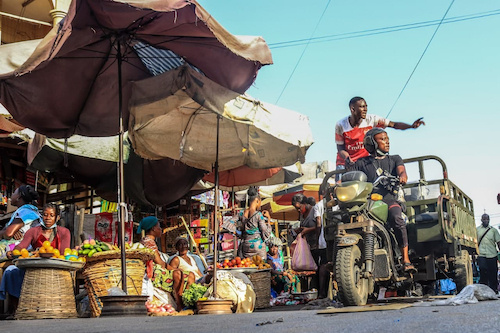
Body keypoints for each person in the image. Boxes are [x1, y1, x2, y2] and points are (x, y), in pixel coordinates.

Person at [350, 128, 415, 272]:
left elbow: (402, 170)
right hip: (368, 202)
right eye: (382, 139)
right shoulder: (362, 163)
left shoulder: (394, 159)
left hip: (390, 199)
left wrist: (402, 177)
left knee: (397, 218)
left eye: (387, 139)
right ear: (372, 143)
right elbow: (351, 176)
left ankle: (405, 259)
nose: (387, 142)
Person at [0, 203, 70, 315]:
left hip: (55, 268)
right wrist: (13, 253)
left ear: (57, 217)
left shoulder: (64, 232)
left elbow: (63, 254)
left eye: (51, 215)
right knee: (10, 271)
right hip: (33, 267)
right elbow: (21, 247)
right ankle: (15, 309)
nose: (47, 218)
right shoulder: (33, 231)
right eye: (45, 215)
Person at [335, 97, 425, 173]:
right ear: (353, 109)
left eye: (366, 106)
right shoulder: (341, 125)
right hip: (345, 163)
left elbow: (394, 125)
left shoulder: (372, 119)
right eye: (362, 107)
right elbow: (340, 148)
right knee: (342, 189)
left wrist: (411, 126)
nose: (365, 109)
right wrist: (347, 159)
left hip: (364, 162)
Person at [137, 216, 195, 309]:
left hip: (157, 270)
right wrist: (174, 269)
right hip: (154, 273)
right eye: (159, 227)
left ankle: (186, 302)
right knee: (178, 274)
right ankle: (180, 303)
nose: (160, 229)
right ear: (153, 229)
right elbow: (159, 262)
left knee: (190, 275)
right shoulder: (149, 242)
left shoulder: (149, 241)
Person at [0, 185, 42, 260]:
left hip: (19, 250)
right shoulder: (31, 211)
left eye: (14, 192)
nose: (12, 194)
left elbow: (8, 234)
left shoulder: (25, 211)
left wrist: (7, 232)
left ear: (18, 197)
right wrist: (11, 231)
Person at [239, 186, 271, 259]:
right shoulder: (258, 214)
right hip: (258, 246)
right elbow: (265, 232)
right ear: (257, 200)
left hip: (246, 245)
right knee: (261, 266)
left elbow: (236, 227)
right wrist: (268, 219)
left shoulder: (242, 213)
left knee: (247, 265)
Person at [291, 194, 321, 266]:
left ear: (305, 204)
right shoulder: (301, 215)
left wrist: (308, 230)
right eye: (296, 209)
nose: (298, 210)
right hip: (307, 247)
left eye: (299, 208)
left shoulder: (314, 210)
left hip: (317, 245)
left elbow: (320, 226)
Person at [476, 213, 500, 293]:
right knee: (482, 270)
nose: (486, 220)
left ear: (489, 220)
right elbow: (475, 242)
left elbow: (498, 242)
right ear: (481, 220)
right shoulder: (477, 230)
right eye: (484, 219)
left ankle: (493, 289)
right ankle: (484, 289)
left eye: (487, 219)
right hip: (481, 254)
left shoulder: (494, 230)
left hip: (492, 254)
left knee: (493, 272)